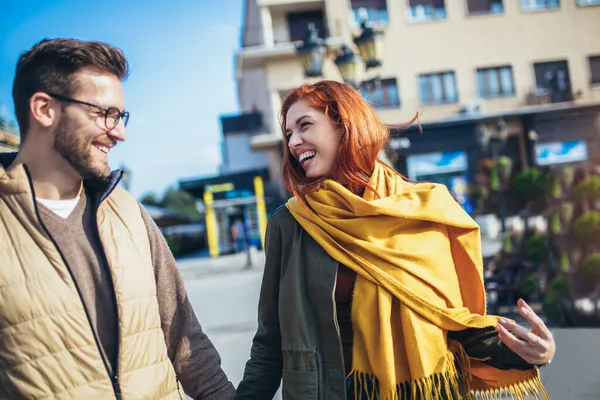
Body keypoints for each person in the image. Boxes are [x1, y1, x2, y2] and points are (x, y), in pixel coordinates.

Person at [235, 80, 555, 400]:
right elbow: (270, 341)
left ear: (346, 125)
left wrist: (531, 351)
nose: (293, 142)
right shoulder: (290, 224)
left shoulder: (426, 209)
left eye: (305, 125)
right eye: (289, 133)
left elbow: (453, 322)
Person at [0, 38, 235, 399]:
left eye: (121, 116)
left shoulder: (129, 213)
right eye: (104, 113)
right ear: (44, 109)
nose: (120, 133)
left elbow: (187, 343)